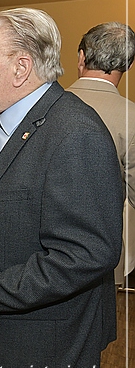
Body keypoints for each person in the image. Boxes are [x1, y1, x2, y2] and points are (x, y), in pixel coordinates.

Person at [0, 8, 123, 368]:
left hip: (31, 351)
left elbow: (85, 255)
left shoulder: (75, 134)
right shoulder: (7, 120)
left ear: (21, 68)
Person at [65, 22, 135, 287]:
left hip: (36, 257)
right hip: (101, 257)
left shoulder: (40, 107)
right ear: (129, 65)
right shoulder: (131, 118)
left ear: (81, 57)